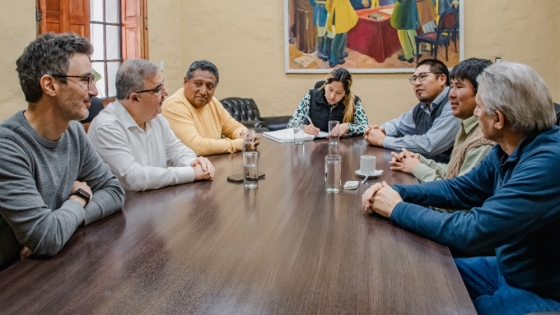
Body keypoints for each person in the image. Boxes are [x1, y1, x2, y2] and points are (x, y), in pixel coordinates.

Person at [362, 62, 560, 314]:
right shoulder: (509, 146)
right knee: (417, 277)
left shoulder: (549, 162)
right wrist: (398, 191)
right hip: (507, 269)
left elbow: (473, 230)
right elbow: (460, 189)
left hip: (541, 291)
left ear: (499, 119)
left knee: (450, 307)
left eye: (480, 106)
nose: (476, 114)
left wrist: (397, 209)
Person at [0, 32, 125, 271]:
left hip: (53, 266)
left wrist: (68, 220)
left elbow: (114, 191)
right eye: (86, 79)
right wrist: (80, 198)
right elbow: (46, 237)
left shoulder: (74, 133)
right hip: (13, 279)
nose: (95, 91)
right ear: (50, 85)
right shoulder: (7, 146)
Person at [88, 59, 215, 192]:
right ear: (135, 98)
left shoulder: (156, 119)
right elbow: (134, 178)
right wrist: (192, 173)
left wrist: (195, 162)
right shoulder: (106, 127)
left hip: (154, 203)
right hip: (121, 209)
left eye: (162, 85)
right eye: (157, 89)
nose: (165, 93)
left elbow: (177, 150)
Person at [390, 58, 494, 183]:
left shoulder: (483, 141)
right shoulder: (466, 126)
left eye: (459, 87)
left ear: (481, 94)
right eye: (452, 86)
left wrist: (417, 168)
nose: (451, 94)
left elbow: (458, 195)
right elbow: (452, 171)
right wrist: (420, 160)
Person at [364, 58, 460, 163]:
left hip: (446, 175)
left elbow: (429, 145)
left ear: (442, 79)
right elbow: (397, 126)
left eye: (423, 77)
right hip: (423, 169)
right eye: (414, 78)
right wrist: (379, 131)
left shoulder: (453, 104)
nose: (417, 83)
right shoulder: (422, 107)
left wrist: (383, 140)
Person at [162, 60, 259, 156]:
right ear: (185, 82)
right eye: (198, 84)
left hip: (213, 165)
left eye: (209, 86)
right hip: (186, 169)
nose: (204, 91)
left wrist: (247, 137)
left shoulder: (212, 102)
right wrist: (240, 144)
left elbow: (234, 127)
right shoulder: (174, 105)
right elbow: (196, 147)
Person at [287, 68, 369, 136]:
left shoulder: (354, 101)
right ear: (325, 85)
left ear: (345, 94)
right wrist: (304, 128)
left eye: (339, 93)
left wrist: (348, 126)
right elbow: (291, 125)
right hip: (314, 149)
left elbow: (366, 127)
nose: (332, 96)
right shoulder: (311, 96)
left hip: (341, 149)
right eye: (330, 90)